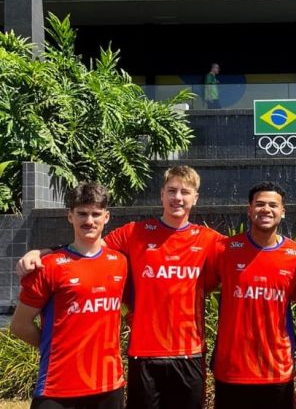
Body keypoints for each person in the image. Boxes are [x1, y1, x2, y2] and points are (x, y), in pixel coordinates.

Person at [17, 166, 224, 409]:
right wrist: (44, 251)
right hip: (144, 355)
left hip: (189, 354)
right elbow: (89, 245)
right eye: (171, 190)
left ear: (195, 198)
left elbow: (243, 260)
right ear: (161, 195)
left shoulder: (209, 240)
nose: (177, 197)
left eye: (184, 192)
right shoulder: (134, 233)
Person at [11, 182, 128, 409]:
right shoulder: (48, 266)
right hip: (58, 387)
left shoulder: (120, 263)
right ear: (70, 216)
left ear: (107, 217)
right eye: (82, 214)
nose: (89, 221)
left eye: (96, 214)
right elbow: (19, 325)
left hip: (108, 386)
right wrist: (55, 348)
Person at [206, 181, 296, 409]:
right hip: (232, 369)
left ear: (283, 212)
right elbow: (195, 286)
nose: (266, 209)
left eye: (273, 205)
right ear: (249, 209)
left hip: (276, 369)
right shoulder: (224, 250)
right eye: (260, 204)